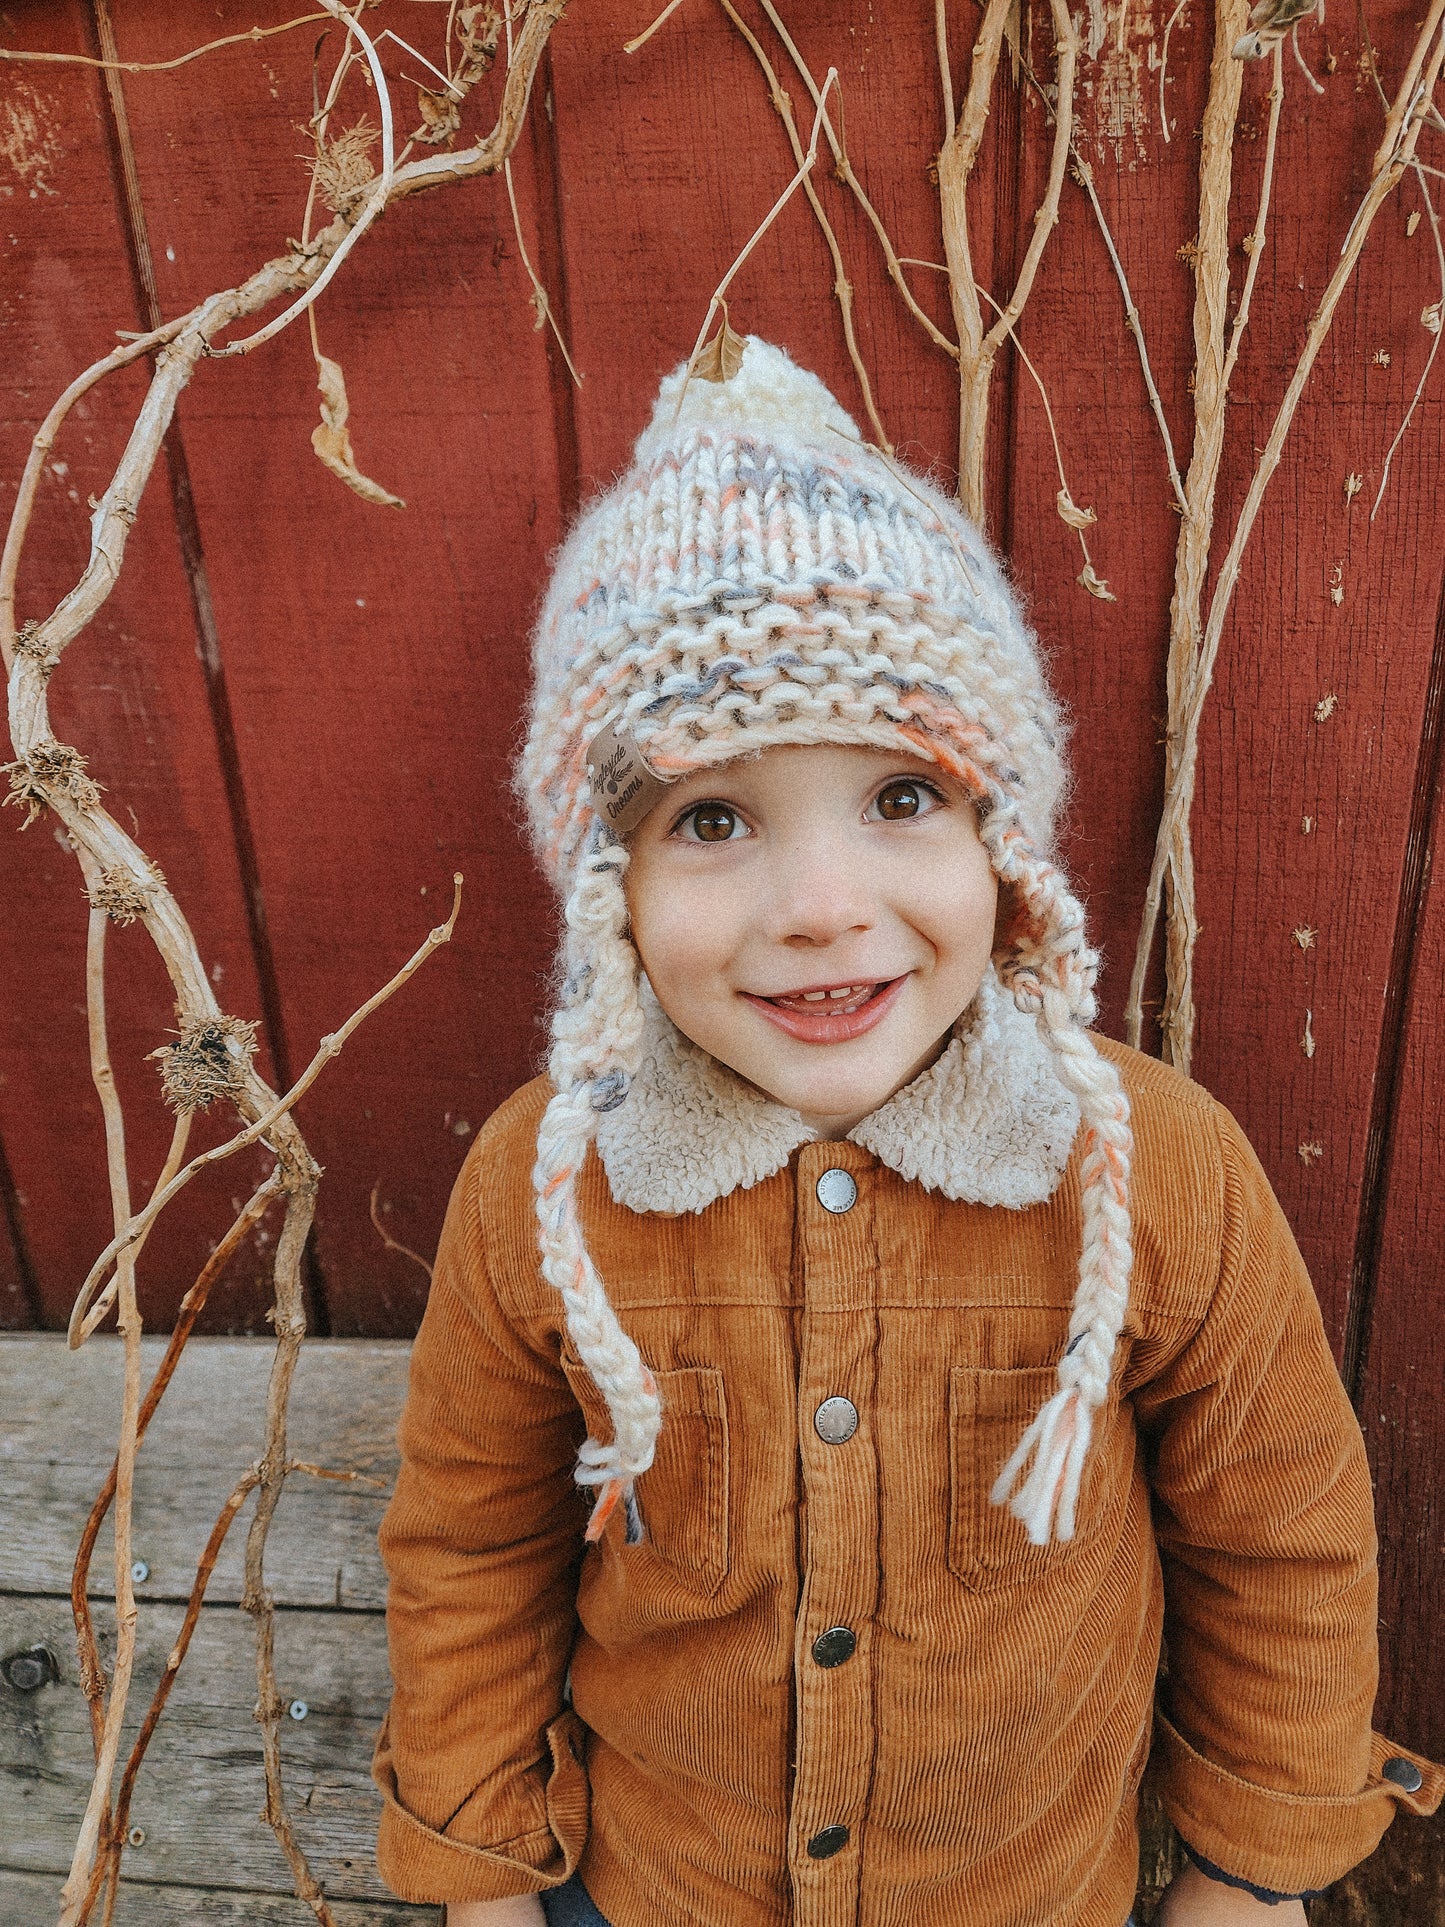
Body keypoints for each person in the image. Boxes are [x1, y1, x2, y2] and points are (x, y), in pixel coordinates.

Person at [371, 338, 1440, 1927]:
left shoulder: (1151, 1170)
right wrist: (480, 1881)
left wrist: (1248, 1874)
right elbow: (472, 1544)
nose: (820, 911)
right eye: (712, 819)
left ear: (1004, 841)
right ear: (611, 884)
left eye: (899, 800)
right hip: (651, 1894)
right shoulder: (549, 1187)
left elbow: (1279, 1533)